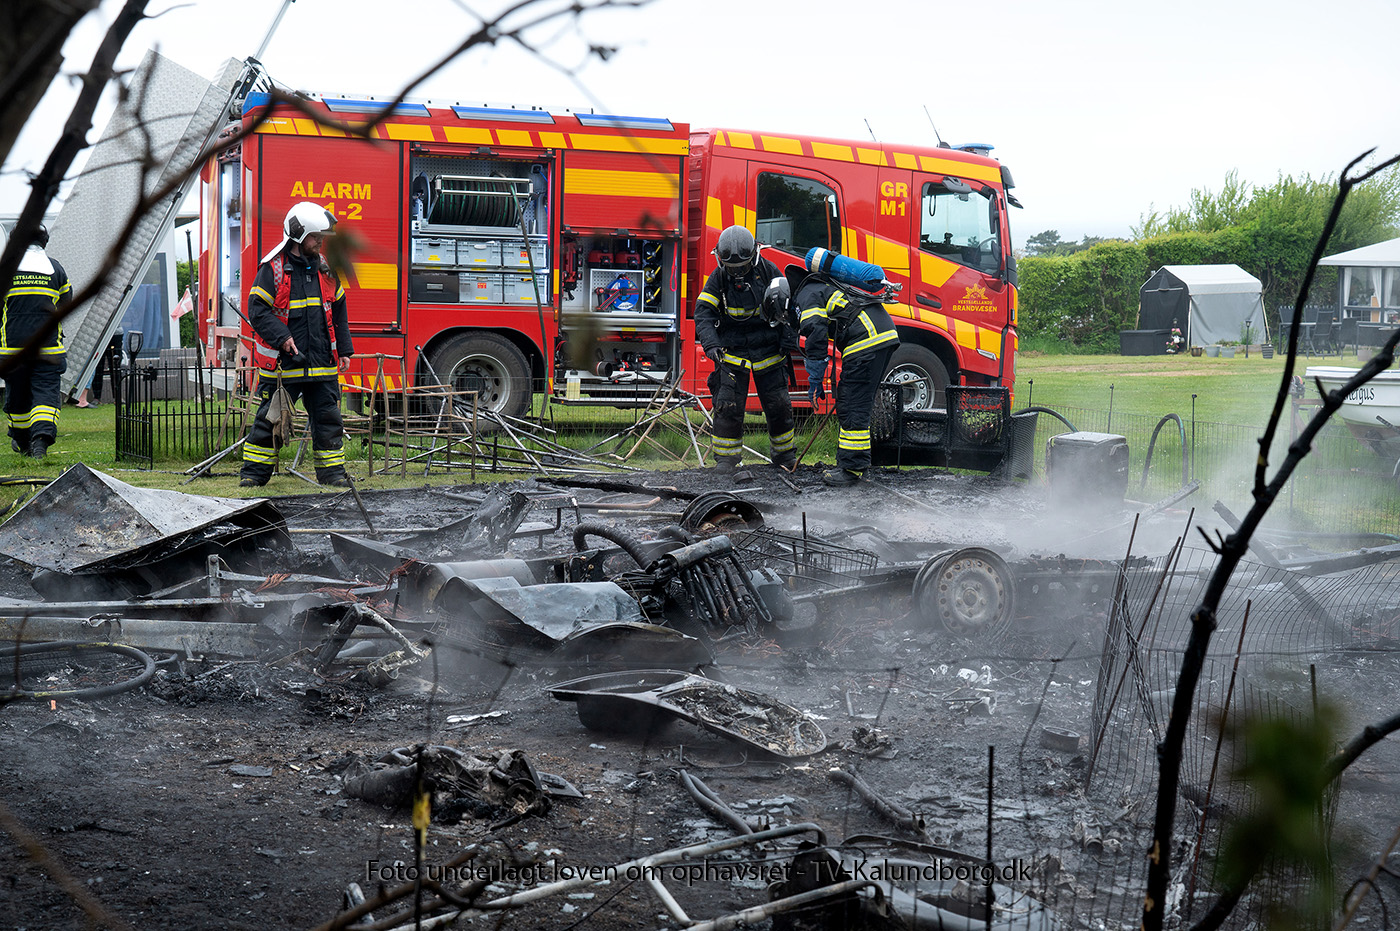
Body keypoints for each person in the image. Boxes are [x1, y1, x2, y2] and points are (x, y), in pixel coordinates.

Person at [239, 202, 354, 488]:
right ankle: (253, 475)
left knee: (328, 420)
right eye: (316, 237)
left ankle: (333, 474)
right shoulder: (273, 269)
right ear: (298, 235)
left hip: (322, 363)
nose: (320, 241)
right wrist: (283, 338)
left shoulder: (325, 269)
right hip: (284, 364)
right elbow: (258, 311)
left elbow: (338, 310)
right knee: (268, 420)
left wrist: (345, 349)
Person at [694, 225, 798, 474]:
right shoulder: (718, 278)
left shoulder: (769, 271)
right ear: (720, 259)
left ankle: (784, 457)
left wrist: (787, 342)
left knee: (779, 406)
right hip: (732, 354)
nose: (737, 272)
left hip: (770, 353)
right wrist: (711, 345)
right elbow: (703, 314)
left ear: (754, 256)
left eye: (741, 266)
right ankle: (726, 461)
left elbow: (790, 311)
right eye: (731, 268)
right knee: (727, 407)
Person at [795, 266, 900, 486]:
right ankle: (857, 464)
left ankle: (852, 469)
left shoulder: (806, 296)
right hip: (879, 335)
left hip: (867, 340)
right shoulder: (818, 288)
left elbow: (815, 331)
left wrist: (815, 377)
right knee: (855, 401)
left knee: (852, 403)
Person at [1, 223, 70, 458]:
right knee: (46, 393)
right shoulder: (55, 269)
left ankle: (23, 442)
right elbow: (66, 303)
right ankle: (40, 441)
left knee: (17, 395)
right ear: (45, 242)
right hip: (48, 348)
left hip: (12, 350)